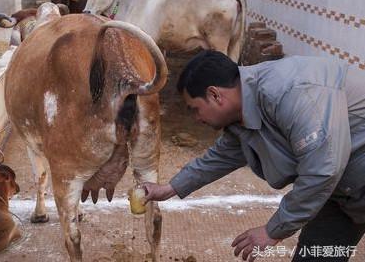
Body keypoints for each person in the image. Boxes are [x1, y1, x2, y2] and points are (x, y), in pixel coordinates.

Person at [143, 50, 365, 261]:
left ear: (215, 95)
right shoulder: (244, 113)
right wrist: (171, 188)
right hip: (341, 193)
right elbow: (220, 156)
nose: (196, 118)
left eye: (194, 109)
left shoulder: (288, 91)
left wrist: (272, 231)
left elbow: (323, 168)